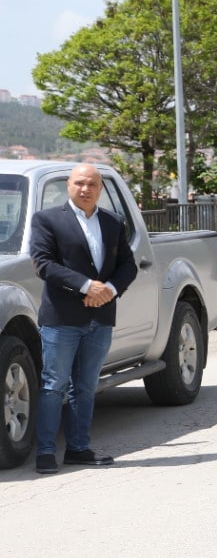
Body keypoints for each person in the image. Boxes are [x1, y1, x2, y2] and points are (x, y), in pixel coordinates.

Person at [29, 163, 137, 474]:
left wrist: (110, 290)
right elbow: (43, 264)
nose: (85, 189)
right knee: (54, 385)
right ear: (68, 186)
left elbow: (127, 265)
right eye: (79, 183)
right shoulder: (47, 220)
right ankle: (46, 452)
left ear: (100, 189)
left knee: (86, 386)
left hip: (100, 317)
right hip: (61, 318)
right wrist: (88, 286)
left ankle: (78, 448)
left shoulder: (113, 222)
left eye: (92, 184)